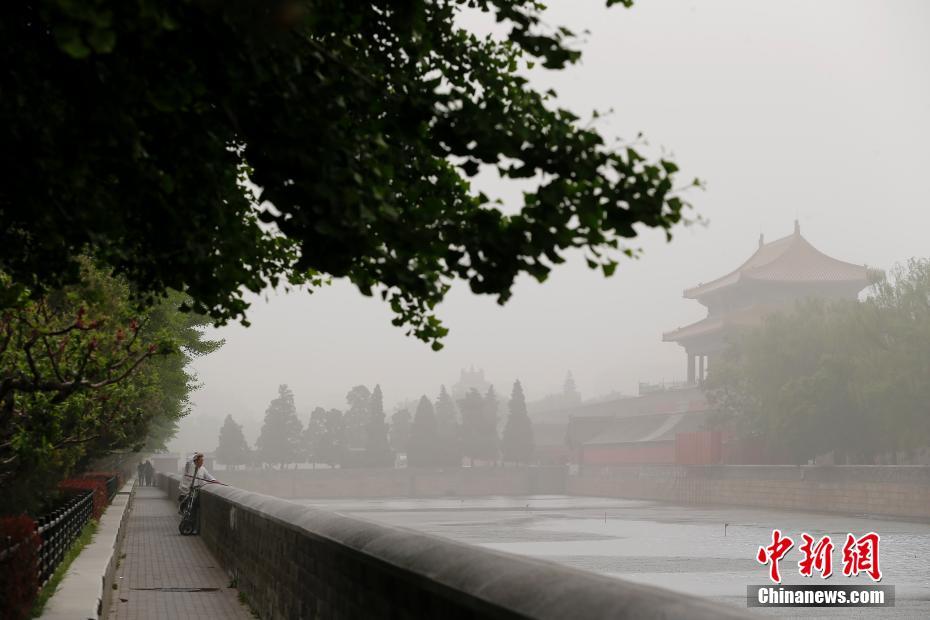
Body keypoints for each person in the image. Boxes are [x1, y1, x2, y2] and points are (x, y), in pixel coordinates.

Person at [177, 452, 216, 534]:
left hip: (196, 492)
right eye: (201, 460)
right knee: (188, 509)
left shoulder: (203, 469)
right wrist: (196, 455)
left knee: (193, 510)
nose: (202, 462)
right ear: (196, 461)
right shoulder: (189, 467)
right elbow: (188, 461)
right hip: (187, 491)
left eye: (203, 460)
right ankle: (187, 523)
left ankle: (192, 526)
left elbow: (209, 477)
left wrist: (215, 481)